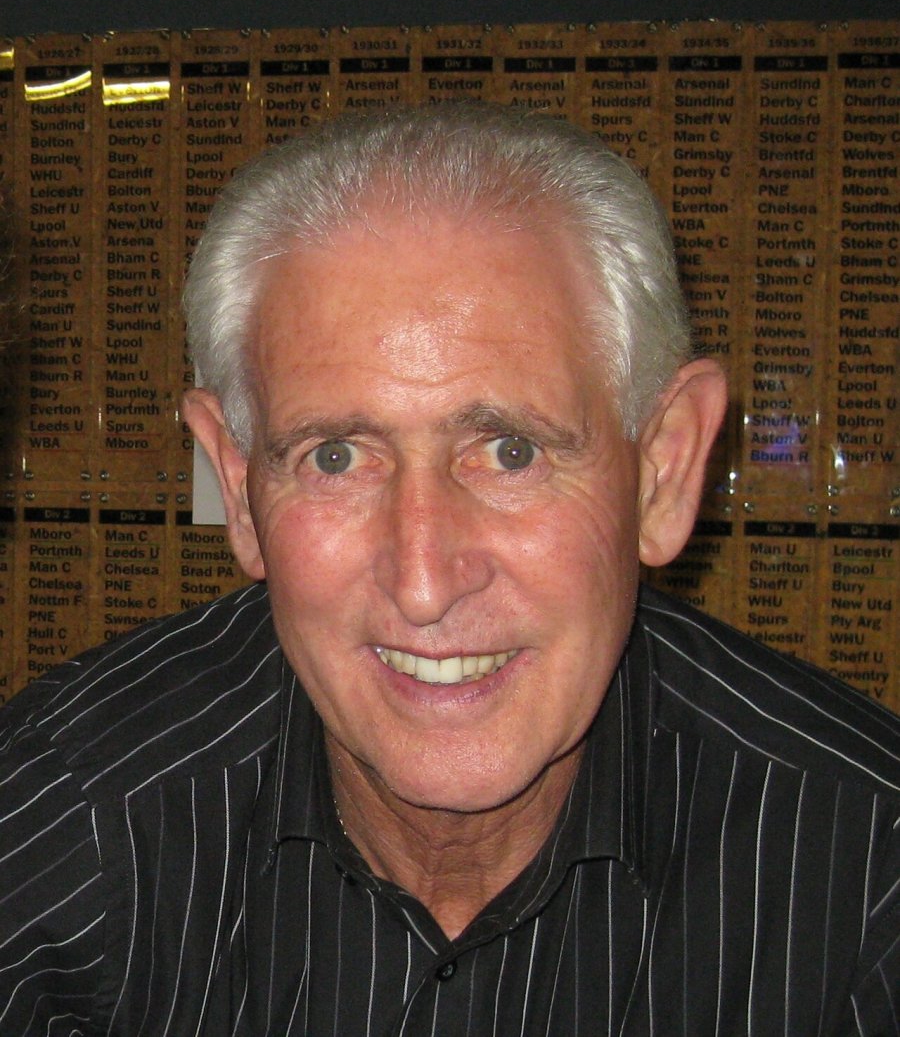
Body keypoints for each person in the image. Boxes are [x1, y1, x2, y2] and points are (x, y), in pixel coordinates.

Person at [1, 103, 897, 1036]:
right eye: (336, 458)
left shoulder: (868, 874)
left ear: (662, 471)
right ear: (237, 483)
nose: (425, 584)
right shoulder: (58, 824)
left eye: (511, 452)